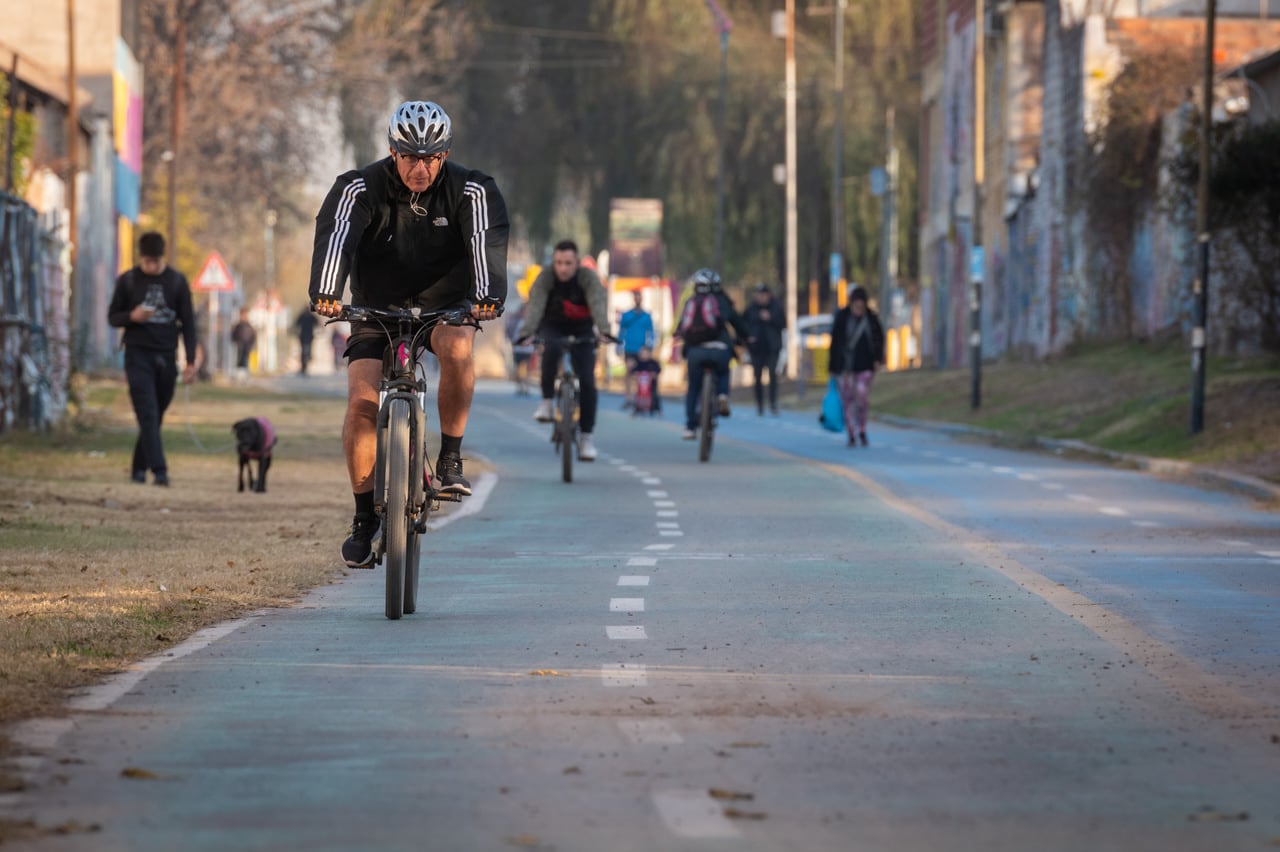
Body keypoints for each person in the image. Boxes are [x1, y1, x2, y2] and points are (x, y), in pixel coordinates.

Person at [309, 100, 509, 568]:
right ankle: (364, 518)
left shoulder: (471, 189)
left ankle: (451, 457)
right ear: (392, 151)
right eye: (410, 156)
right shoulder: (359, 187)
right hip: (375, 308)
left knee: (459, 347)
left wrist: (487, 295)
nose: (420, 167)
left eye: (431, 157)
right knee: (361, 403)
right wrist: (325, 292)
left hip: (446, 307)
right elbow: (335, 235)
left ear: (444, 154)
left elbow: (486, 241)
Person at [106, 231, 198, 486]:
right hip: (137, 355)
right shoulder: (128, 281)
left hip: (167, 357)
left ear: (162, 257)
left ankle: (138, 469)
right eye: (147, 261)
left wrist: (191, 361)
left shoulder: (177, 282)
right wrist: (131, 317)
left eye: (155, 261)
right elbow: (112, 317)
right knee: (147, 412)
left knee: (155, 415)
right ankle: (160, 471)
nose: (151, 266)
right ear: (140, 258)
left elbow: (189, 323)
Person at [516, 240, 613, 462]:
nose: (563, 268)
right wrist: (527, 331)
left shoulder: (588, 278)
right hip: (553, 326)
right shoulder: (546, 278)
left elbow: (598, 303)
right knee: (551, 348)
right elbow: (535, 306)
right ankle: (547, 402)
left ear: (577, 262)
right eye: (559, 263)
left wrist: (604, 330)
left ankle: (587, 437)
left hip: (583, 329)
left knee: (588, 382)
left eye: (568, 263)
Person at [673, 268, 748, 440]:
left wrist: (678, 337)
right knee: (723, 372)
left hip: (695, 352)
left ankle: (690, 427)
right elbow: (738, 323)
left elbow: (681, 327)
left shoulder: (691, 302)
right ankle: (722, 395)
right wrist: (747, 337)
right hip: (719, 350)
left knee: (693, 388)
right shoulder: (722, 301)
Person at [827, 284, 886, 447]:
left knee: (862, 396)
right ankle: (851, 431)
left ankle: (862, 428)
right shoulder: (842, 318)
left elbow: (879, 340)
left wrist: (879, 359)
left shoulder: (871, 319)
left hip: (866, 365)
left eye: (861, 303)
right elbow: (835, 343)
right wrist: (832, 366)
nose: (859, 306)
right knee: (848, 399)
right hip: (846, 367)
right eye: (856, 303)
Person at [743, 283, 785, 416]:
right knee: (758, 377)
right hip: (756, 348)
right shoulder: (751, 308)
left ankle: (773, 403)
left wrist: (770, 318)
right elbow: (743, 324)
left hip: (772, 347)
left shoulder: (776, 307)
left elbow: (783, 323)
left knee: (773, 374)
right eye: (759, 295)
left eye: (763, 295)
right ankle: (760, 404)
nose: (761, 297)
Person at [617, 290, 655, 409]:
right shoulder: (627, 315)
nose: (638, 299)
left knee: (641, 374)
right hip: (629, 348)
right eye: (636, 297)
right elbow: (621, 331)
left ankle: (639, 397)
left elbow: (651, 333)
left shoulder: (646, 316)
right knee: (629, 371)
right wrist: (618, 345)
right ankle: (628, 398)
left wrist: (649, 347)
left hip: (641, 349)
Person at [505, 299, 534, 396]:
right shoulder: (515, 320)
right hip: (517, 348)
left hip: (528, 348)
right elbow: (509, 332)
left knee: (527, 369)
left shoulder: (531, 322)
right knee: (518, 368)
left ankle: (526, 387)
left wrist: (530, 341)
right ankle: (519, 386)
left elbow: (534, 333)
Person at [629, 343, 662, 415]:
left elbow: (658, 369)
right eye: (642, 353)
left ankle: (656, 408)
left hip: (651, 384)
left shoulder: (653, 362)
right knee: (638, 395)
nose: (644, 355)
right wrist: (635, 374)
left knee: (654, 395)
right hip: (641, 385)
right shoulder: (638, 363)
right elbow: (633, 371)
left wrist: (654, 373)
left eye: (645, 353)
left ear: (649, 354)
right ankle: (637, 407)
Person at [230, 307, 257, 381]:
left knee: (245, 359)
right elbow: (234, 335)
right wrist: (235, 341)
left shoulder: (249, 326)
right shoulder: (238, 326)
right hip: (239, 345)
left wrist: (251, 344)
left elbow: (252, 336)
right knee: (239, 359)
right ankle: (238, 375)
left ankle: (244, 375)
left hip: (247, 345)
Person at [294, 307, 319, 376]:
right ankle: (304, 366)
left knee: (305, 351)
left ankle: (305, 365)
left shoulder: (305, 316)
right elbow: (317, 323)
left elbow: (296, 324)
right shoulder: (309, 316)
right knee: (305, 352)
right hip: (305, 337)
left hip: (306, 337)